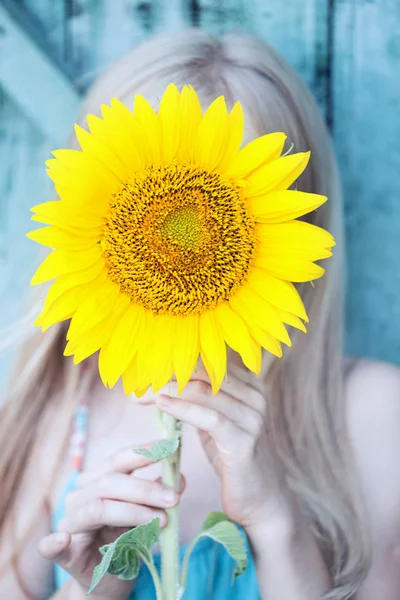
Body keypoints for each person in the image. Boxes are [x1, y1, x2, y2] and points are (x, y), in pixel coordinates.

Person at [0, 29, 399, 600]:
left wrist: (276, 524)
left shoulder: (372, 411)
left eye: (217, 212)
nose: (183, 244)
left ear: (295, 226)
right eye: (148, 212)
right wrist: (109, 577)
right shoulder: (62, 410)